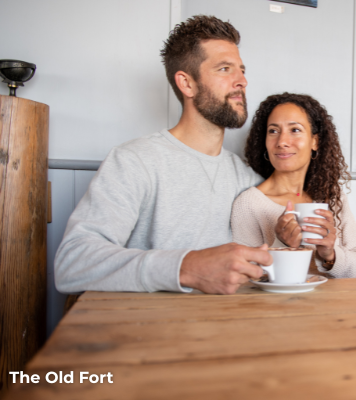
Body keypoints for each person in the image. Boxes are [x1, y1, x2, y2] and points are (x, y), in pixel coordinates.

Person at [55, 15, 271, 294]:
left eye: (241, 70)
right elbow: (72, 264)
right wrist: (187, 267)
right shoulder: (134, 161)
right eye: (225, 69)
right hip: (149, 332)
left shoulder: (246, 177)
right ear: (187, 83)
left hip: (226, 329)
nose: (242, 80)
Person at [231, 93, 356, 278]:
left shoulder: (332, 196)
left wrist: (330, 255)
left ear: (315, 141)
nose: (281, 142)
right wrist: (283, 244)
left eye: (295, 130)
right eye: (273, 131)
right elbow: (248, 278)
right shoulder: (249, 204)